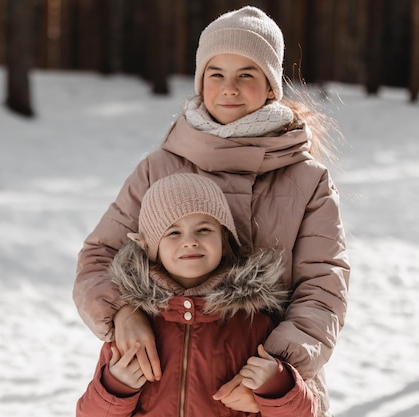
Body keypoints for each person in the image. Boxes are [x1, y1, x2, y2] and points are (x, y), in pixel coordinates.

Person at [73, 5, 350, 416]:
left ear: (271, 86)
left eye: (247, 75)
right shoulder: (160, 166)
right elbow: (99, 257)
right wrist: (122, 314)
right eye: (216, 74)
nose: (230, 88)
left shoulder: (307, 180)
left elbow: (323, 289)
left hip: (267, 394)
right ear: (201, 81)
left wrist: (272, 373)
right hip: (163, 384)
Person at [76, 173, 317, 417]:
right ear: (148, 247)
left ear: (225, 241)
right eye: (173, 233)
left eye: (203, 229)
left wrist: (276, 386)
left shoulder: (253, 323)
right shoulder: (133, 327)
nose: (190, 241)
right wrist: (116, 386)